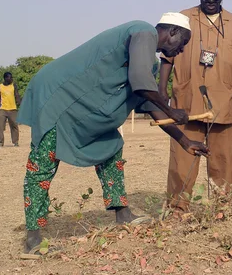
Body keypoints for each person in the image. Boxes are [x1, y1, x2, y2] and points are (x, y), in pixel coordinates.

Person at [17, 13, 210, 252]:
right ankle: (33, 238)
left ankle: (122, 213)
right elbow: (141, 83)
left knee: (112, 147)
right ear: (172, 32)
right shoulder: (143, 31)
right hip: (57, 99)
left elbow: (149, 104)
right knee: (42, 165)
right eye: (183, 43)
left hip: (83, 109)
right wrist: (169, 107)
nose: (180, 51)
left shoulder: (150, 62)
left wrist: (184, 140)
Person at [160, 0, 232, 210]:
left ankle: (225, 209)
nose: (211, 0)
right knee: (182, 158)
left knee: (224, 160)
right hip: (187, 99)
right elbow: (166, 58)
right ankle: (177, 209)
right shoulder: (183, 18)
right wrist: (161, 89)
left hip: (223, 100)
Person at [0, 72, 21, 147]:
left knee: (14, 126)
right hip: (2, 109)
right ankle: (0, 142)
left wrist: (20, 104)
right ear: (6, 78)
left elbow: (17, 96)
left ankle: (15, 142)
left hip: (12, 109)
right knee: (0, 126)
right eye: (10, 77)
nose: (11, 79)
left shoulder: (14, 85)